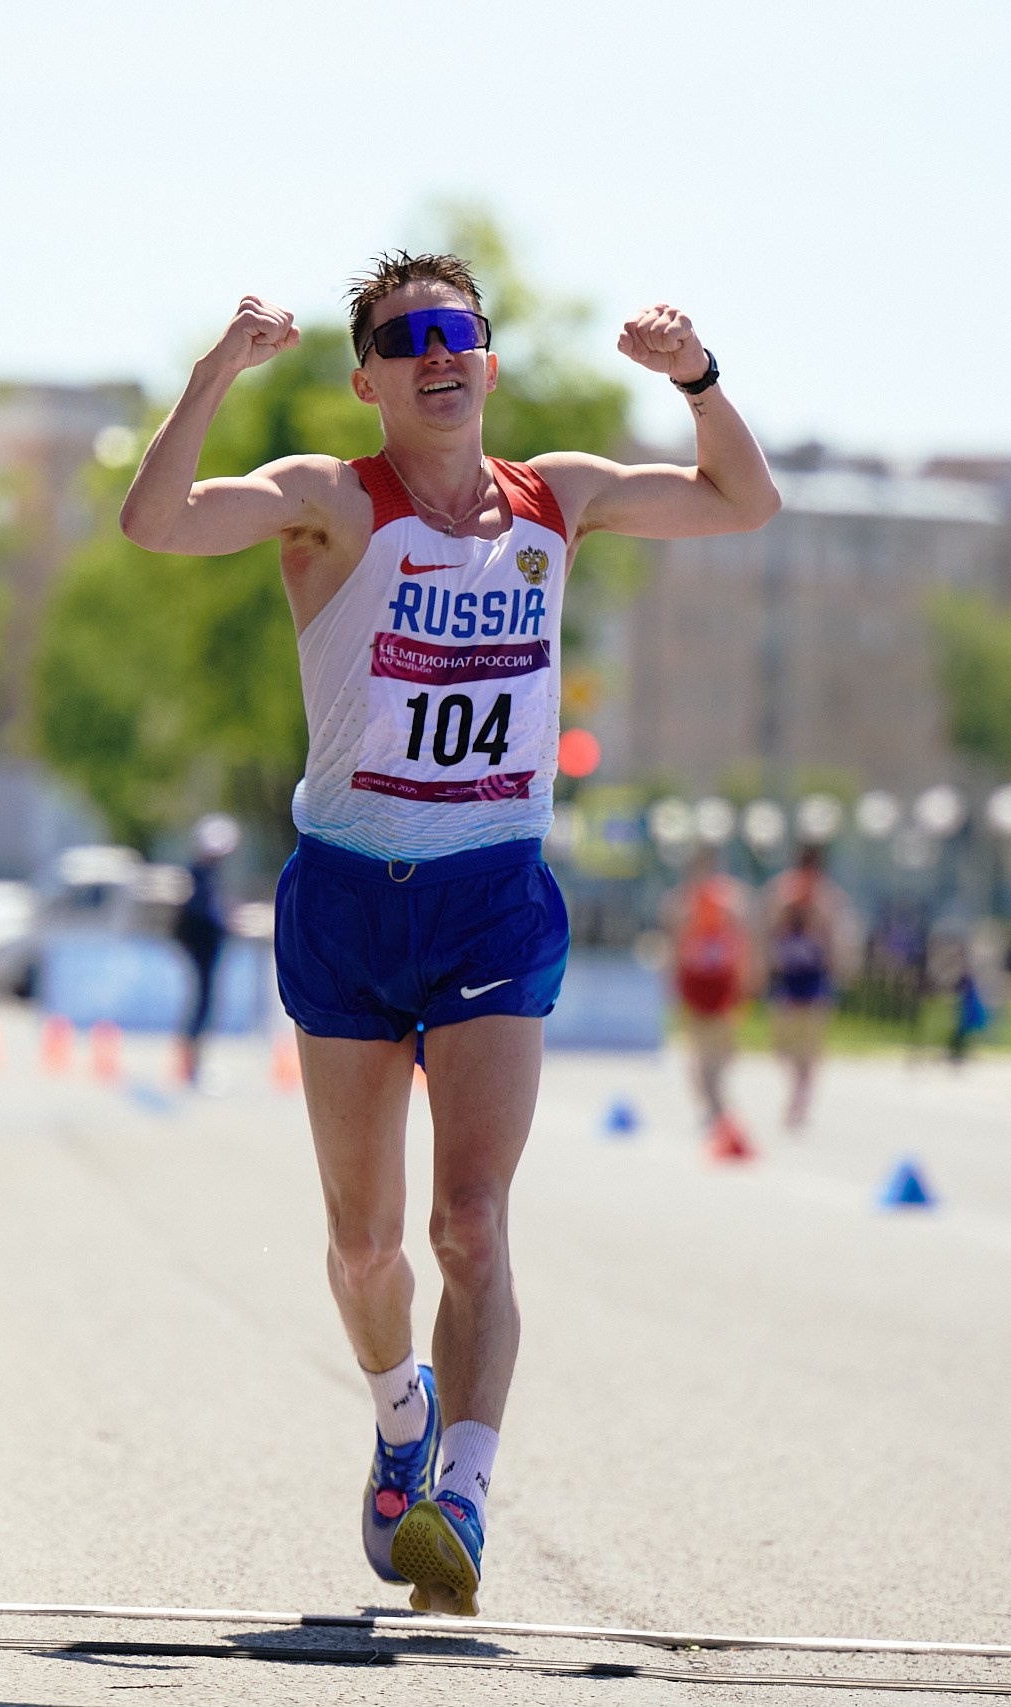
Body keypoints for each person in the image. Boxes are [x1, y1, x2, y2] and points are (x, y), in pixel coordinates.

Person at [118, 253, 776, 1614]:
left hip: (490, 885)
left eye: (456, 333)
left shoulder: (561, 496)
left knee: (471, 1222)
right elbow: (158, 521)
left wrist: (696, 377)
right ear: (366, 379)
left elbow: (741, 500)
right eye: (405, 338)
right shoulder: (329, 502)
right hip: (351, 893)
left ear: (487, 360)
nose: (436, 354)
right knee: (367, 1249)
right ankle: (399, 1415)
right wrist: (214, 374)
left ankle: (461, 1495)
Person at [668, 847, 755, 1143]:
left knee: (719, 1053)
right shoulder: (685, 903)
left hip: (721, 985)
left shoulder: (729, 900)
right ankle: (713, 1106)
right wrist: (674, 982)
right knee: (699, 1053)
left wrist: (745, 981)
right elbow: (676, 947)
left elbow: (741, 944)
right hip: (697, 985)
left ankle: (716, 1104)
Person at [762, 843, 850, 1129]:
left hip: (814, 979)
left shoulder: (828, 896)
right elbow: (768, 929)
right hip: (788, 977)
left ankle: (800, 1099)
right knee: (782, 1046)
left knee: (810, 1048)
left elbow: (836, 938)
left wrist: (818, 916)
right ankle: (797, 1085)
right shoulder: (782, 890)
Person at [174, 812, 239, 1088]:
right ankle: (192, 1068)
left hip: (201, 946)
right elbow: (204, 913)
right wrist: (226, 924)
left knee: (202, 1003)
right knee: (202, 1004)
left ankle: (193, 1065)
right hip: (204, 946)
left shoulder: (200, 875)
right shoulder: (201, 878)